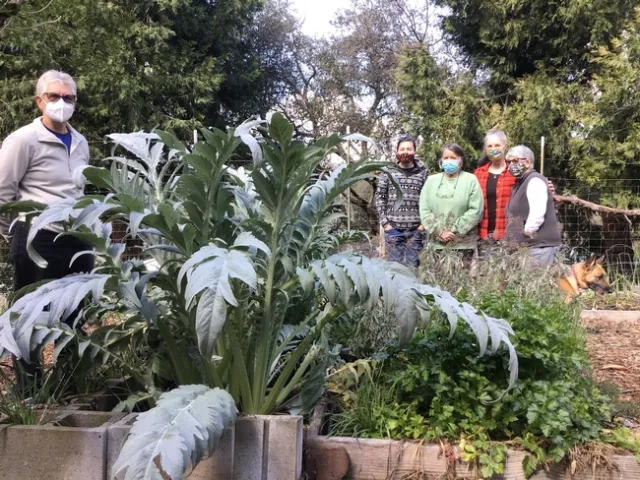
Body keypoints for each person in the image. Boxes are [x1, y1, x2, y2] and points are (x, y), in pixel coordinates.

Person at [0, 70, 93, 387]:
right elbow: (3, 192)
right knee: (31, 313)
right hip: (37, 238)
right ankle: (29, 389)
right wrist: (13, 234)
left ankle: (69, 384)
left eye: (68, 98)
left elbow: (78, 192)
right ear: (40, 100)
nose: (62, 103)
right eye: (54, 96)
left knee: (74, 313)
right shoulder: (23, 140)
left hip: (77, 238)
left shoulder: (80, 142)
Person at [419, 144, 483, 266]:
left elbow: (476, 211)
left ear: (461, 160)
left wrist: (454, 231)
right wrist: (439, 231)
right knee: (437, 283)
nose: (449, 161)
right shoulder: (431, 181)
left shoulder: (471, 180)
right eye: (446, 158)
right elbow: (424, 210)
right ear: (441, 161)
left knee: (460, 282)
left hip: (463, 244)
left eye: (453, 158)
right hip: (436, 244)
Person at [375, 136, 429, 268]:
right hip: (393, 230)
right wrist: (385, 223)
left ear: (414, 152)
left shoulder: (424, 173)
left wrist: (422, 225)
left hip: (416, 230)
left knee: (413, 268)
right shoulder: (388, 171)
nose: (405, 152)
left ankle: (412, 289)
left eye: (409, 149)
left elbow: (429, 199)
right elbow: (379, 197)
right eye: (402, 149)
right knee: (394, 270)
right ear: (397, 152)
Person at [504, 145, 562, 267]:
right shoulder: (520, 183)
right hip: (529, 247)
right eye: (508, 162)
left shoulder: (534, 181)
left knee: (538, 284)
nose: (510, 165)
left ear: (527, 162)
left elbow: (537, 212)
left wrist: (526, 232)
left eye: (514, 161)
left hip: (539, 247)